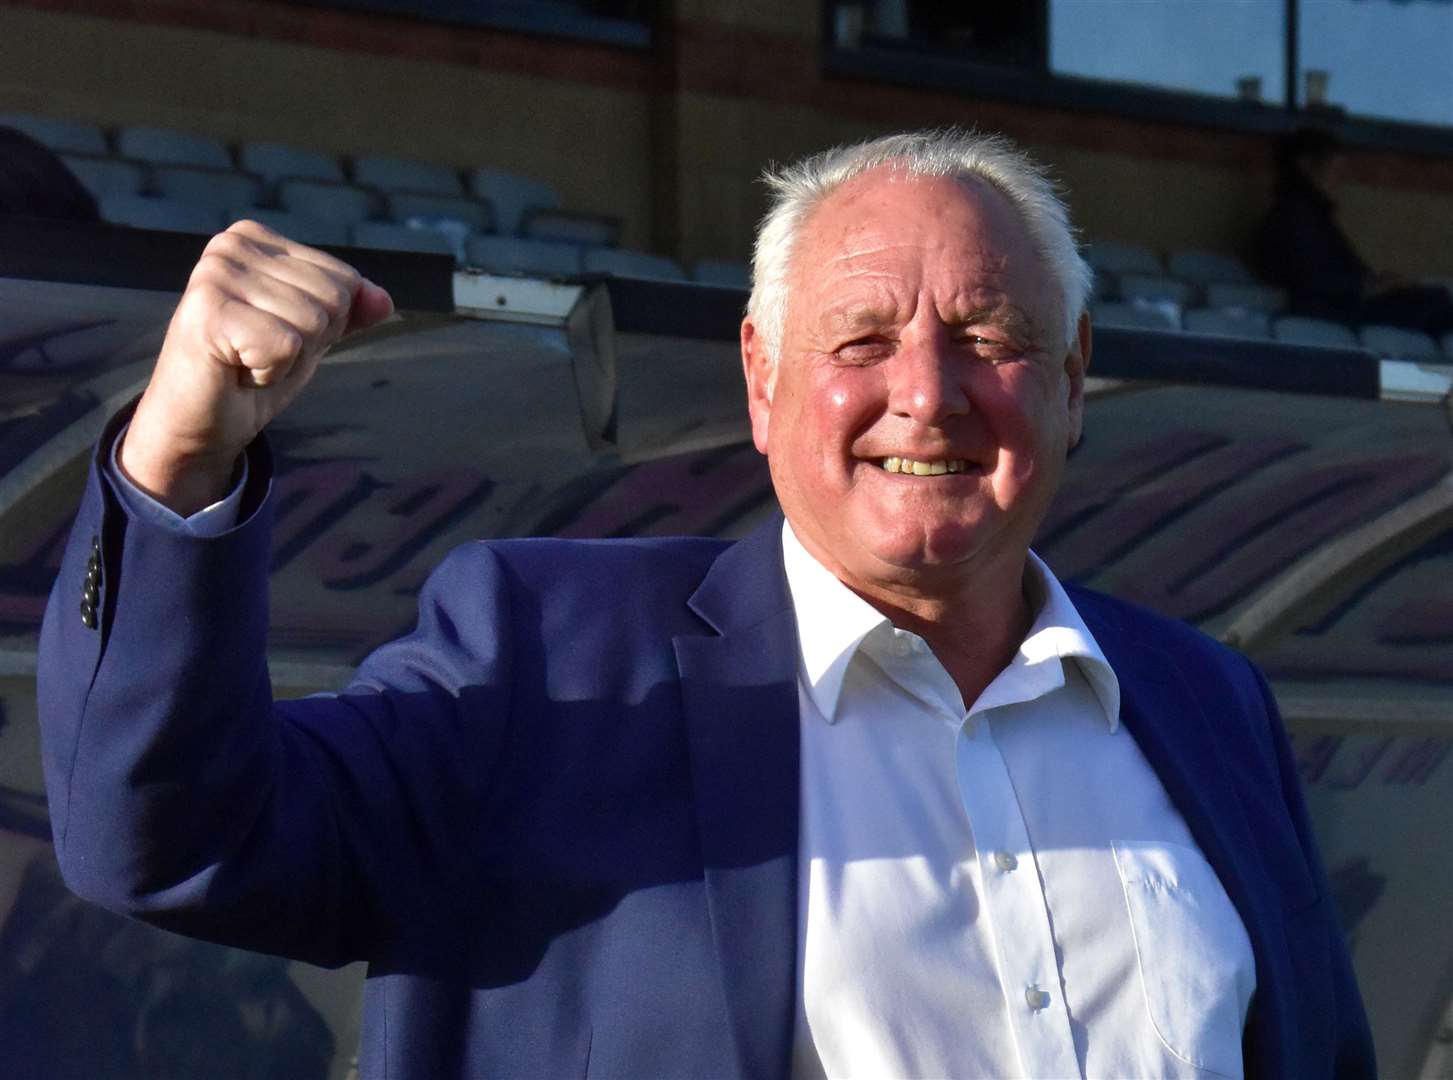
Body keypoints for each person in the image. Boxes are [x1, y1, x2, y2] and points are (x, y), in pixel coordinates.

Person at [38, 129, 1373, 1078]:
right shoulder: (546, 662)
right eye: (862, 343)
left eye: (990, 340)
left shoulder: (1206, 703)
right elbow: (166, 839)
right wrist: (179, 460)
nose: (927, 392)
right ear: (760, 377)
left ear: (1073, 377)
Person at [1259, 126, 1453, 339]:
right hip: (1334, 315)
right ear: (1306, 166)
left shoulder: (1314, 218)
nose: (1340, 181)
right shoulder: (1295, 219)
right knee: (1435, 305)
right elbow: (1312, 282)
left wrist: (1379, 283)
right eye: (1336, 172)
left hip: (1345, 309)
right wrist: (1369, 286)